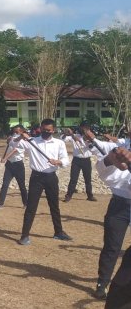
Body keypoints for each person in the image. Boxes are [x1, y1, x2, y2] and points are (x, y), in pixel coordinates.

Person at [87, 135, 131, 300]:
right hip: (120, 204)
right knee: (112, 246)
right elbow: (104, 173)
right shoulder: (120, 146)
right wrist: (110, 160)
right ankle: (102, 282)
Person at [15, 118, 72, 245]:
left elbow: (66, 160)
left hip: (51, 177)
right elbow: (13, 144)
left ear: (53, 130)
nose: (46, 132)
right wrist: (20, 137)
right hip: (36, 178)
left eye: (49, 130)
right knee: (31, 207)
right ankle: (24, 235)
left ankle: (58, 232)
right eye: (44, 130)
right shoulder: (32, 141)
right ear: (40, 129)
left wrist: (58, 162)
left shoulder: (59, 143)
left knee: (54, 206)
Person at [62, 122, 97, 202]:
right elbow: (63, 139)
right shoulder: (75, 136)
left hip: (86, 160)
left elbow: (91, 146)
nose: (84, 130)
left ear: (88, 129)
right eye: (83, 128)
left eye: (86, 129)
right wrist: (66, 133)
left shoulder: (91, 138)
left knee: (87, 179)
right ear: (80, 128)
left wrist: (87, 139)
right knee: (73, 179)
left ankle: (90, 196)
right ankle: (68, 196)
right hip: (76, 160)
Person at [0, 125, 28, 209]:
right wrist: (3, 157)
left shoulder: (23, 142)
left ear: (22, 132)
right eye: (14, 131)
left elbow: (14, 150)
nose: (15, 133)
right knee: (5, 184)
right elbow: (9, 147)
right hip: (9, 164)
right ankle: (0, 203)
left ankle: (26, 203)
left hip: (18, 165)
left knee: (21, 185)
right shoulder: (12, 139)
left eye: (17, 132)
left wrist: (5, 158)